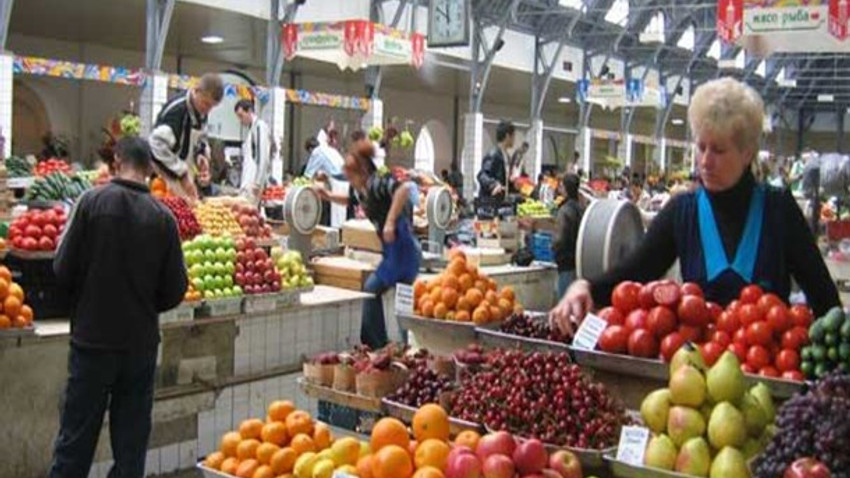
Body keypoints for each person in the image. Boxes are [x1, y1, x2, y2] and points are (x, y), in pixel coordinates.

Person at [550, 77, 840, 336]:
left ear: (747, 153)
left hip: (764, 367)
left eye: (719, 150)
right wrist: (586, 286)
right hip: (695, 367)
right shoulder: (683, 211)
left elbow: (824, 297)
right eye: (701, 147)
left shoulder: (778, 210)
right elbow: (637, 269)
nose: (705, 161)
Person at [49, 136, 188, 478]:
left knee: (75, 443)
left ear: (116, 162)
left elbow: (62, 267)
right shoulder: (163, 218)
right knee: (130, 450)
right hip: (139, 347)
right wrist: (144, 305)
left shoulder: (90, 203)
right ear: (150, 169)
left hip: (92, 343)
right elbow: (175, 289)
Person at [316, 140, 419, 349]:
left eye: (351, 176)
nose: (349, 181)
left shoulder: (378, 181)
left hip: (404, 248)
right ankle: (391, 345)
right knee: (395, 297)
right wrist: (328, 196)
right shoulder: (359, 190)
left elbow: (403, 190)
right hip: (392, 251)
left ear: (362, 171)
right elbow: (350, 200)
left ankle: (385, 344)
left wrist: (390, 221)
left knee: (382, 292)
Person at [148, 73, 223, 201]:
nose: (208, 109)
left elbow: (200, 138)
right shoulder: (176, 111)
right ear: (196, 91)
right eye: (205, 103)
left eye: (211, 106)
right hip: (164, 180)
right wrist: (181, 172)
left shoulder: (201, 112)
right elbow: (156, 144)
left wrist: (201, 155)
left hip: (185, 183)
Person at [234, 99, 272, 205]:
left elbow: (262, 156)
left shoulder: (259, 127)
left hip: (253, 183)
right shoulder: (251, 130)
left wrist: (258, 182)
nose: (240, 120)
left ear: (250, 111)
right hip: (247, 182)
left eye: (241, 116)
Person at [553, 174, 584, 298]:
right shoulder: (581, 208)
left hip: (566, 262)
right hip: (578, 261)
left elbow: (560, 238)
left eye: (561, 185)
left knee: (565, 298)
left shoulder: (565, 210)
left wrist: (554, 248)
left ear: (565, 188)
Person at [477, 120, 514, 199]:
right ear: (507, 136)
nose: (514, 139)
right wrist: (494, 185)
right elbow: (482, 175)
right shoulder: (493, 154)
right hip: (490, 203)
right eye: (513, 136)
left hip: (501, 202)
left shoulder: (506, 156)